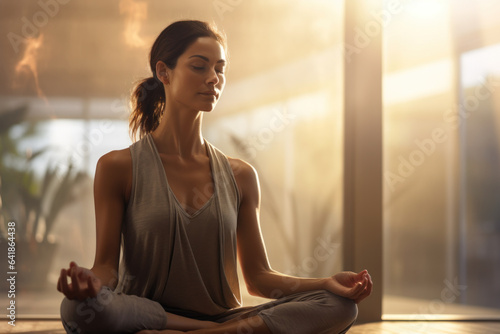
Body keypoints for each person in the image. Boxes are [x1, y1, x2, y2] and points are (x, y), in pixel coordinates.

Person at [57, 20, 372, 334]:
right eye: (199, 66)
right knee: (75, 308)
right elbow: (106, 269)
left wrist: (327, 282)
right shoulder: (118, 167)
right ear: (163, 72)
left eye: (219, 69)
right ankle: (203, 330)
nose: (213, 79)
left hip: (222, 318)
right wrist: (90, 284)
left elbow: (259, 277)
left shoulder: (241, 176)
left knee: (340, 306)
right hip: (142, 314)